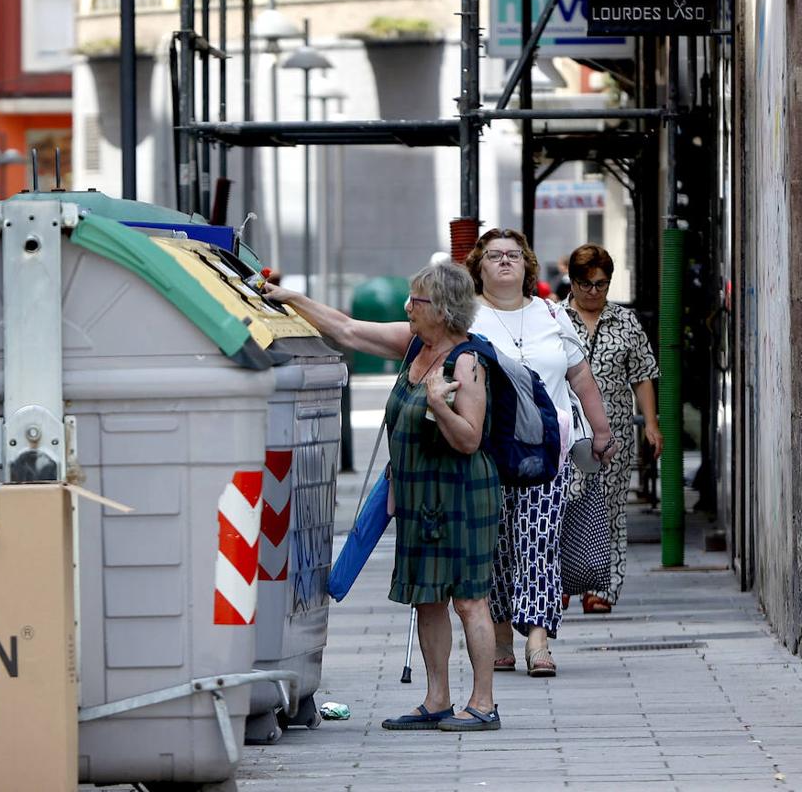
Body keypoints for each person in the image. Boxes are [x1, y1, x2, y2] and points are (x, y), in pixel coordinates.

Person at [266, 262, 503, 732]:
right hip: (417, 495)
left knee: (469, 600)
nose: (406, 307)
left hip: (460, 494)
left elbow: (470, 439)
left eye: (415, 301)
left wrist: (438, 403)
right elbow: (348, 330)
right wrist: (291, 299)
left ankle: (483, 702)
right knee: (427, 598)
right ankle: (437, 699)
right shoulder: (416, 343)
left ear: (442, 308)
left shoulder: (468, 362)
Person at [465, 229, 614, 677]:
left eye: (513, 255)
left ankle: (538, 641)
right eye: (495, 255)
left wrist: (602, 431)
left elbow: (580, 376)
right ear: (480, 267)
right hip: (486, 451)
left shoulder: (552, 314)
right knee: (495, 545)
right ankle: (502, 634)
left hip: (546, 451)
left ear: (527, 265)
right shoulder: (468, 317)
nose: (505, 261)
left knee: (539, 541)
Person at [560, 244, 661, 614]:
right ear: (572, 282)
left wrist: (651, 423)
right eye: (586, 284)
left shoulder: (625, 321)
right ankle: (562, 580)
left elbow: (643, 374)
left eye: (601, 284)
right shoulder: (554, 319)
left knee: (611, 508)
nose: (593, 292)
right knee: (562, 503)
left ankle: (603, 588)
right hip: (566, 432)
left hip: (614, 433)